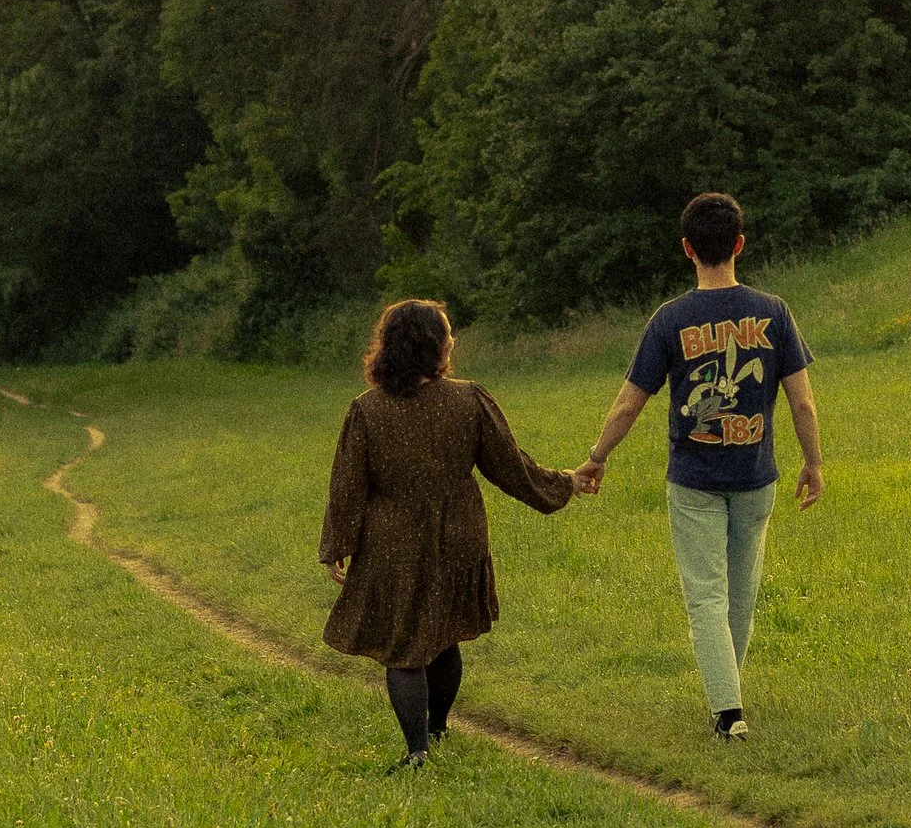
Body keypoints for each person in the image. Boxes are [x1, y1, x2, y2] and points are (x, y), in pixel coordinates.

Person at [574, 193, 822, 742]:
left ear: (688, 249)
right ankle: (729, 696)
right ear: (739, 244)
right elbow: (802, 402)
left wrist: (596, 458)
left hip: (694, 480)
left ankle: (728, 710)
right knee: (742, 590)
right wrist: (813, 462)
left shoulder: (670, 320)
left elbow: (628, 402)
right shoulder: (774, 312)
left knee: (705, 593)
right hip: (758, 475)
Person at [321, 299, 577, 766]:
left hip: (391, 542)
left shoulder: (367, 410)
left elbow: (347, 483)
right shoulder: (469, 400)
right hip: (458, 535)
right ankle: (437, 729)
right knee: (444, 634)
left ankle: (418, 747)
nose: (453, 341)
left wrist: (339, 545)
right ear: (432, 347)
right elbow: (512, 468)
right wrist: (566, 482)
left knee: (404, 646)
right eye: (448, 334)